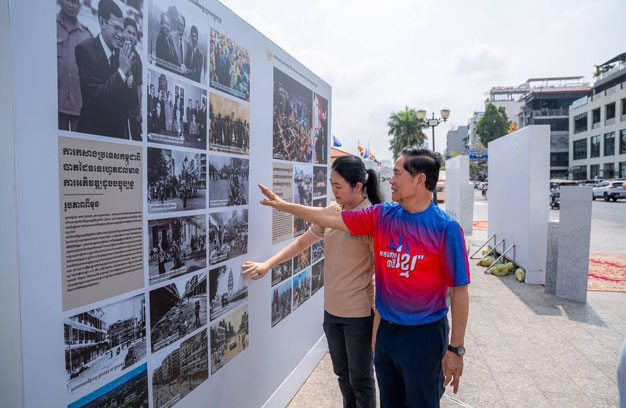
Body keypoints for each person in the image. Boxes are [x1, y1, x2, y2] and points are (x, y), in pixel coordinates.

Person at [258, 148, 470, 408]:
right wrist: (285, 206)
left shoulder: (446, 229)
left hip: (424, 336)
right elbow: (332, 218)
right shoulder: (383, 216)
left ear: (420, 180)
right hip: (388, 334)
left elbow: (459, 291)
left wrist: (455, 349)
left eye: (397, 174)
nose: (390, 180)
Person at [243, 156, 383, 408]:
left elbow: (383, 275)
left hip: (359, 315)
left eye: (339, 186)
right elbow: (302, 243)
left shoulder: (369, 219)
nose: (334, 191)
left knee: (361, 379)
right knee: (343, 375)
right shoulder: (333, 212)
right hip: (332, 311)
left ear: (358, 186)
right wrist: (268, 264)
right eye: (331, 184)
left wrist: (379, 322)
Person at [75, 0, 138, 139]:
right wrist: (122, 71)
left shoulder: (121, 54)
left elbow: (133, 104)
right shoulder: (85, 50)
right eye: (116, 28)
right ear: (102, 23)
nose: (121, 35)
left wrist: (129, 78)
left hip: (118, 138)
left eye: (122, 29)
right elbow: (98, 99)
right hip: (94, 137)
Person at [57, 0, 92, 131]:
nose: (71, 6)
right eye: (68, 0)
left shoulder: (86, 35)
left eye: (75, 2)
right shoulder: (48, 26)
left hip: (79, 107)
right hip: (54, 106)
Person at [123, 17, 142, 141]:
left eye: (134, 34)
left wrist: (139, 109)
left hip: (134, 109)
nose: (131, 36)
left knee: (136, 139)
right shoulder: (116, 51)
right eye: (129, 32)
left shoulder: (137, 58)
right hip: (119, 107)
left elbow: (139, 85)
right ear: (123, 32)